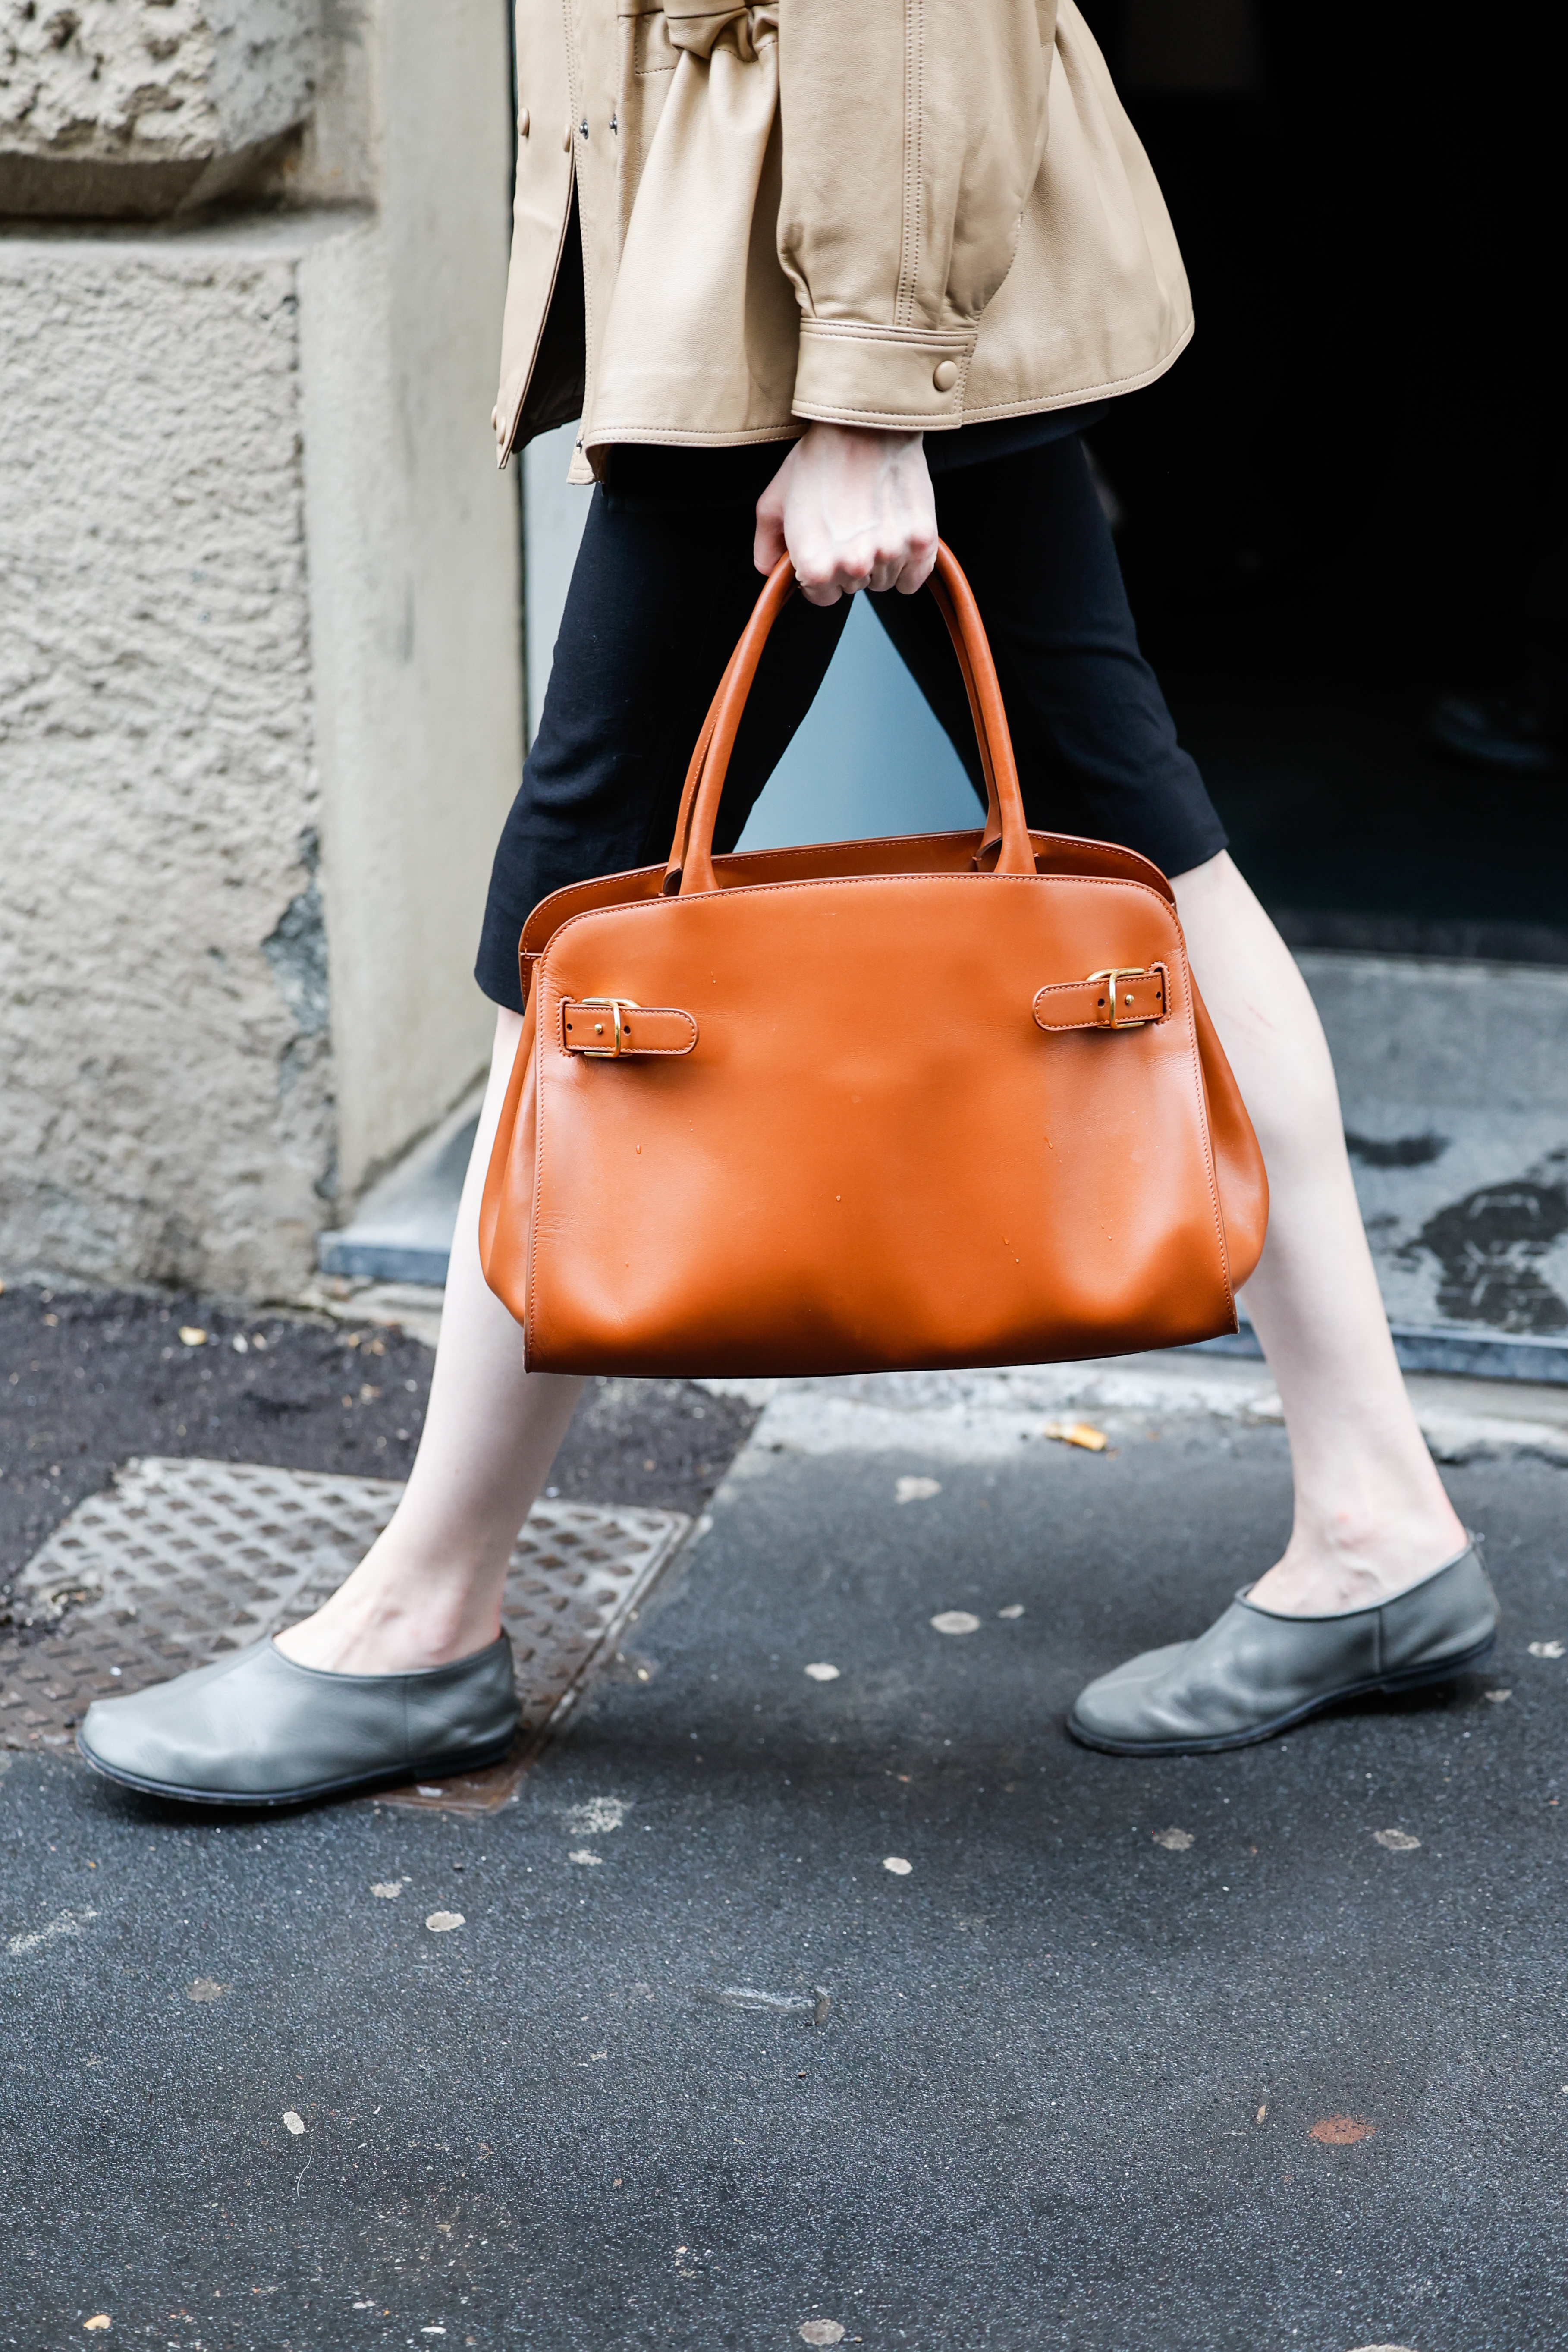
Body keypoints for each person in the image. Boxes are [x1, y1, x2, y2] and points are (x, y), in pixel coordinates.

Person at [79, 0, 1496, 1803]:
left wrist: (862, 389)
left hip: (791, 293)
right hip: (796, 262)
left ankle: (421, 1622)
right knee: (1143, 860)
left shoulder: (834, 339)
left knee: (579, 911)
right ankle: (1378, 1522)